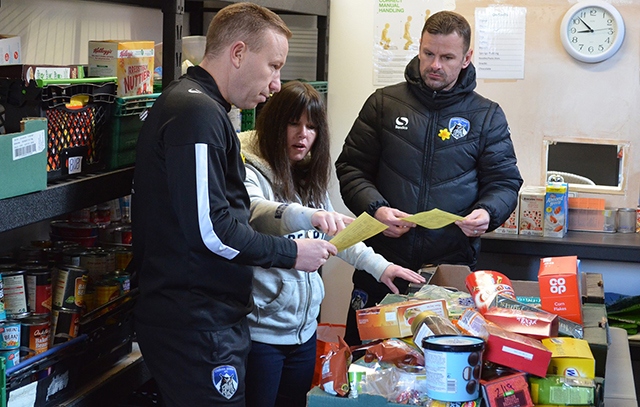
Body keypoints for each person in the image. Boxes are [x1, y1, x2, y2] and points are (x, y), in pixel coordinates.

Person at [131, 4, 337, 406]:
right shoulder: (195, 113)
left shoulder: (205, 109)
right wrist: (292, 252)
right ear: (238, 53)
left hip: (208, 318)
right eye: (273, 66)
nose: (276, 84)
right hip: (195, 324)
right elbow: (211, 231)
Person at [335, 10, 523, 346]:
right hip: (381, 266)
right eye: (428, 54)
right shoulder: (384, 103)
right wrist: (377, 209)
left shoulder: (486, 115)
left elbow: (505, 182)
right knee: (364, 363)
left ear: (466, 58)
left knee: (434, 372)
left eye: (447, 57)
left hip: (446, 272)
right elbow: (351, 169)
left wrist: (488, 213)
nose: (435, 65)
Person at [239, 81, 425, 407]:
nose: (302, 135)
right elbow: (257, 213)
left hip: (305, 334)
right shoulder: (251, 171)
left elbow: (338, 236)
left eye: (311, 127)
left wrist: (383, 267)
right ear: (272, 123)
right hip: (262, 335)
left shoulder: (308, 178)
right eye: (293, 123)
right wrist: (309, 216)